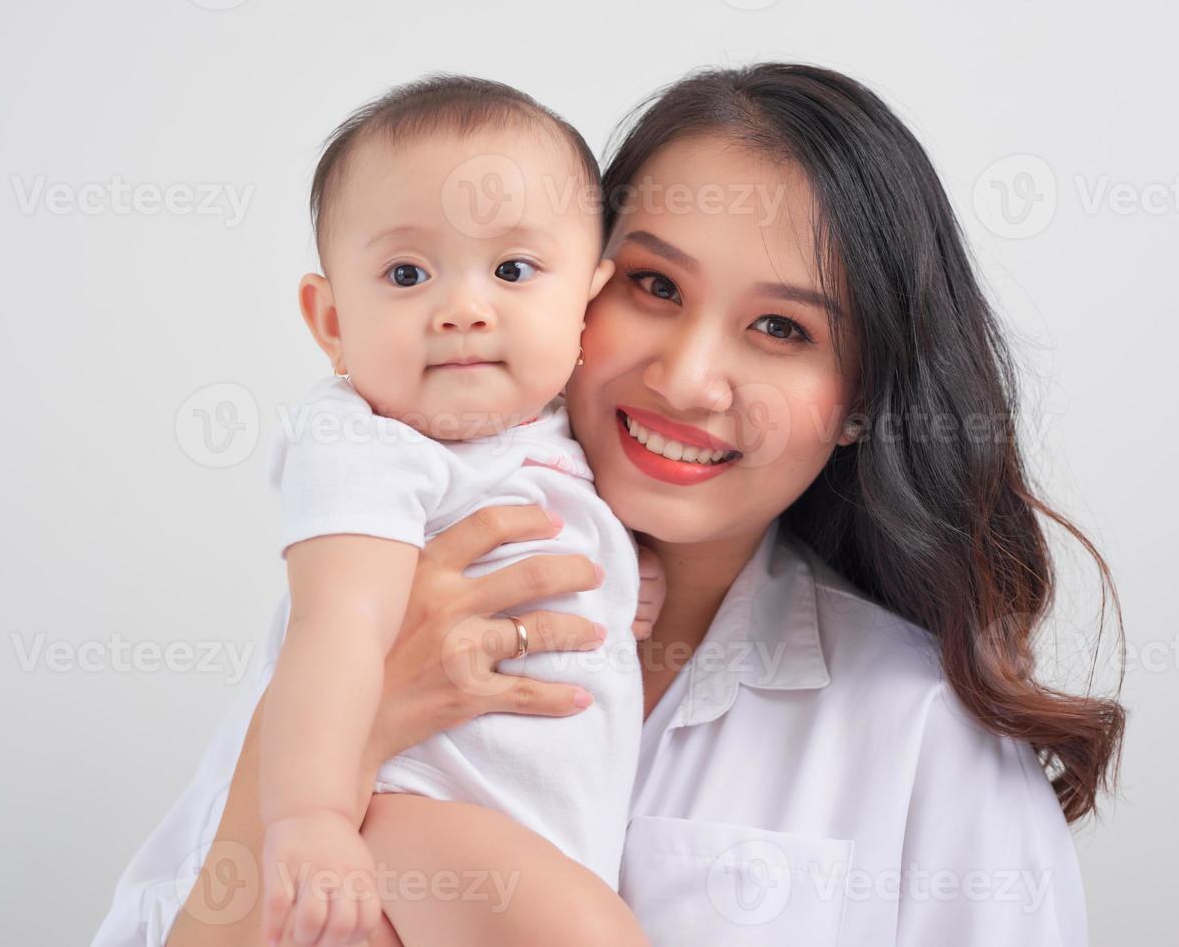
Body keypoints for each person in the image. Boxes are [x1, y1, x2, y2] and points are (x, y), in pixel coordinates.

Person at [93, 62, 1124, 947]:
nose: (685, 378)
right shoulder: (395, 600)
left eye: (780, 329)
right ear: (580, 284)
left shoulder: (922, 731)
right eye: (655, 288)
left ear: (858, 397)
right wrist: (347, 744)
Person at [255, 76, 663, 946]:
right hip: (398, 813)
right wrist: (313, 816)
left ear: (586, 301)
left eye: (513, 271)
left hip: (537, 831)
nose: (463, 310)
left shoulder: (552, 429)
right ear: (329, 319)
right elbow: (338, 626)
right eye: (407, 274)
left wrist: (632, 580)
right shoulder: (364, 443)